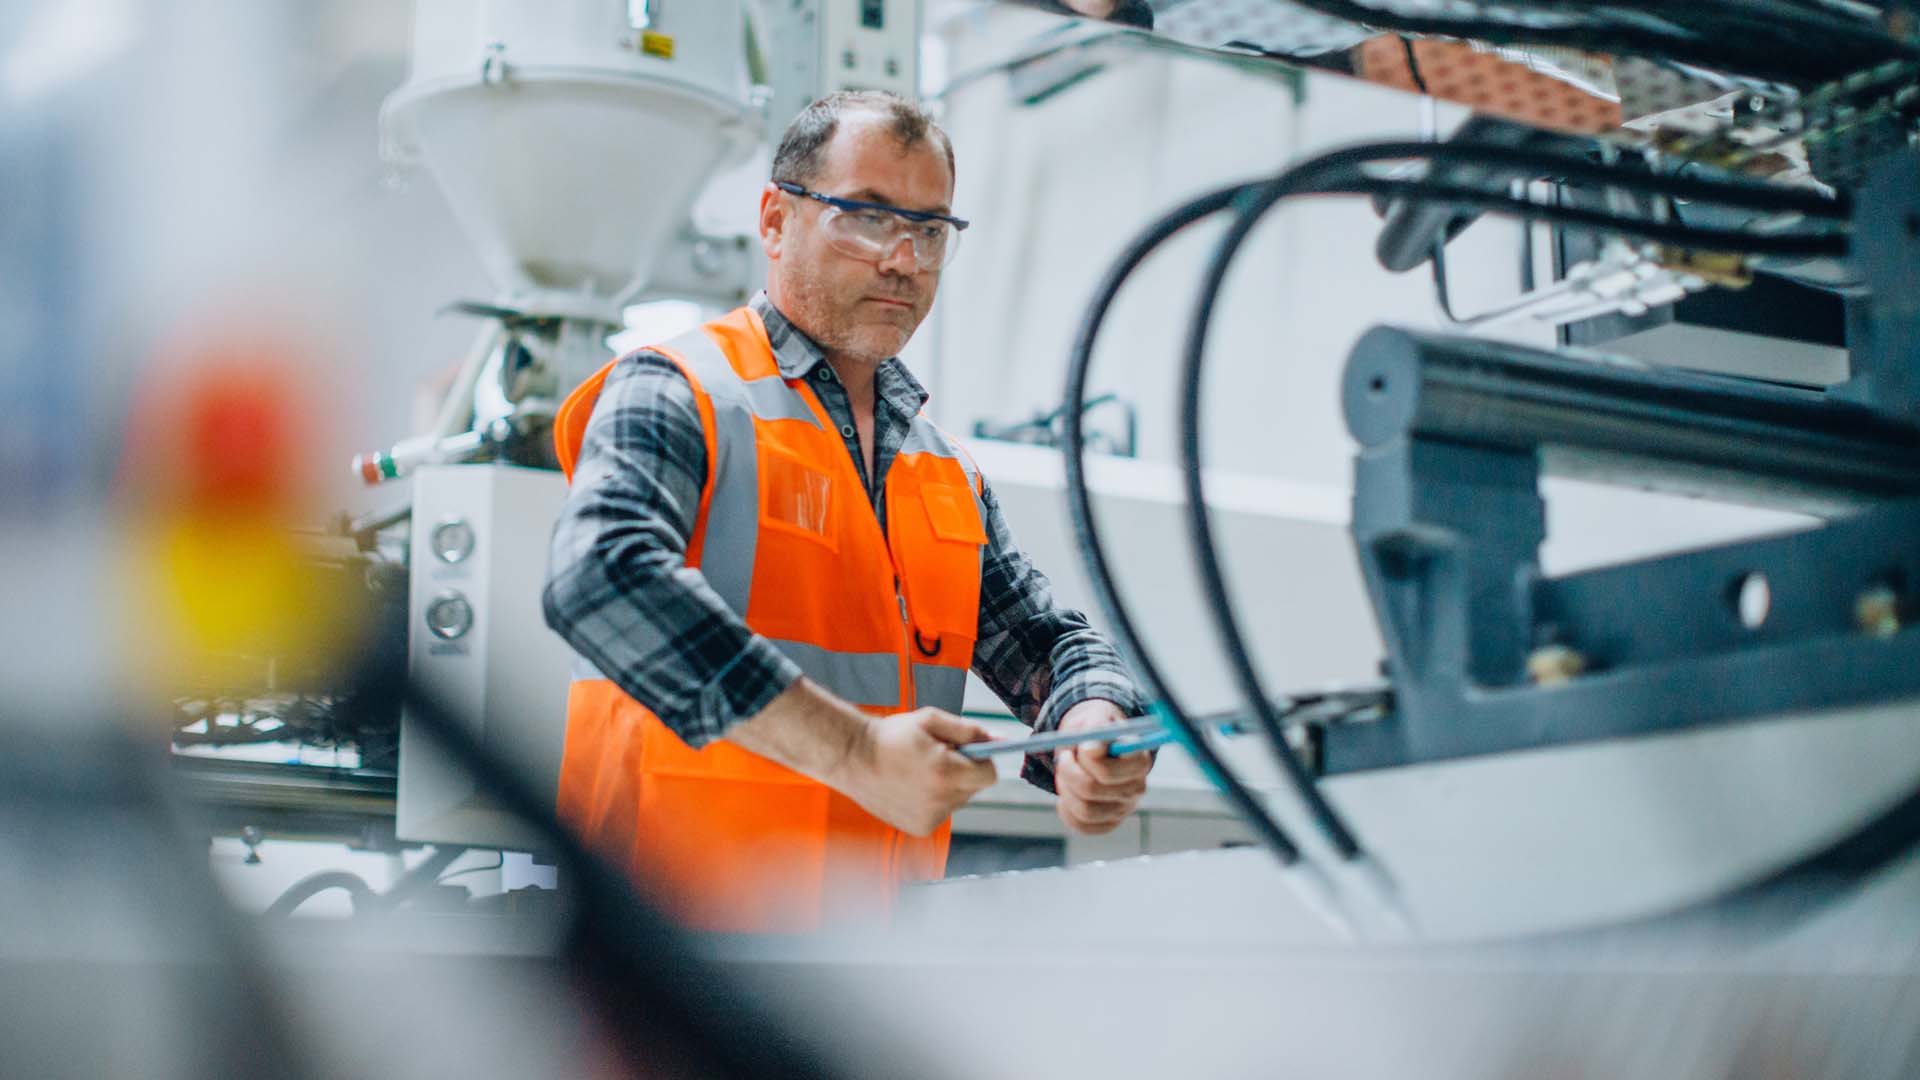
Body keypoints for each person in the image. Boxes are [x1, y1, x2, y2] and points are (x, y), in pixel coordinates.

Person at [543, 90, 1150, 931]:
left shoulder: (940, 468)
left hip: (867, 959)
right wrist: (855, 755)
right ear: (775, 219)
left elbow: (1050, 643)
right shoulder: (678, 390)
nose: (901, 258)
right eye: (864, 217)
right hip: (670, 950)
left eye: (929, 230)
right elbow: (600, 577)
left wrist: (1090, 724)